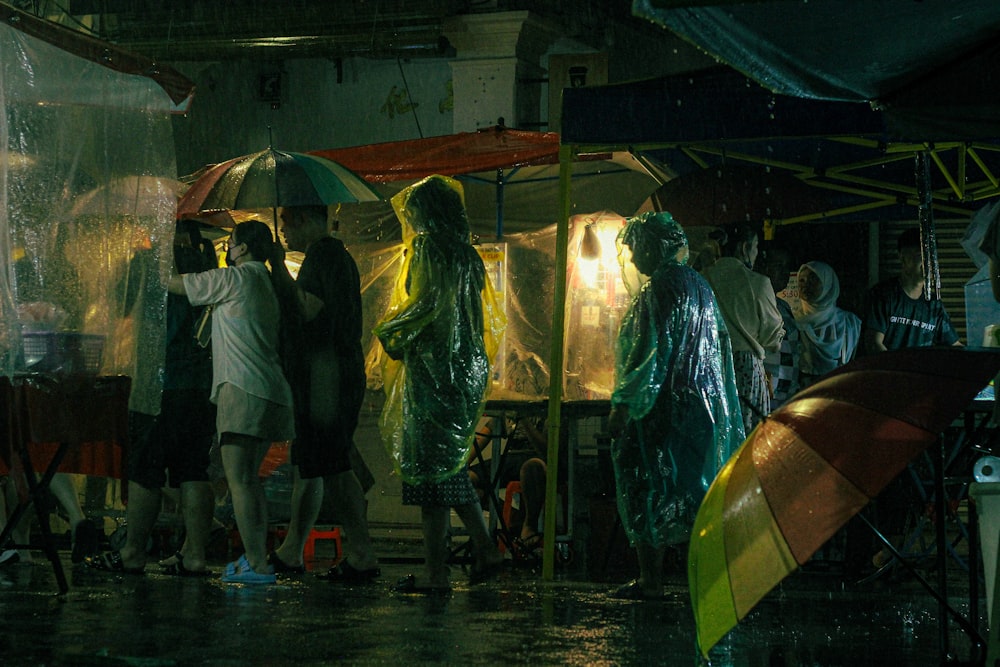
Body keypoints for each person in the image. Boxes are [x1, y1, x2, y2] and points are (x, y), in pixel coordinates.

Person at [373, 175, 505, 594]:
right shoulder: (468, 255)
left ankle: (436, 572)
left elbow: (427, 305)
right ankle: (484, 549)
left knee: (430, 474)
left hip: (435, 373)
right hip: (464, 373)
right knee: (449, 467)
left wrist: (390, 332)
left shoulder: (428, 249)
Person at [607, 211, 744, 600]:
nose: (631, 259)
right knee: (694, 492)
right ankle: (709, 578)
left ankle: (651, 578)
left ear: (653, 246)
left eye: (635, 249)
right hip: (700, 409)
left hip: (661, 409)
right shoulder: (698, 285)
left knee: (646, 486)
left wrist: (623, 406)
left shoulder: (660, 290)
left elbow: (647, 355)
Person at [168, 220, 297, 584]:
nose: (227, 248)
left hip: (242, 390)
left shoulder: (234, 279)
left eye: (232, 243)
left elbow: (179, 285)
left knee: (238, 480)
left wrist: (158, 259)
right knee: (249, 481)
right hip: (271, 391)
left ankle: (257, 565)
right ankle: (257, 560)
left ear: (240, 250)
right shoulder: (267, 282)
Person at [87, 220, 217, 575]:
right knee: (193, 468)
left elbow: (121, 303)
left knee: (146, 468)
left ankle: (131, 553)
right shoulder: (207, 262)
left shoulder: (146, 262)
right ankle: (195, 556)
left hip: (158, 383)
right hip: (201, 383)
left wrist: (130, 261)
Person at [268, 204, 378, 582]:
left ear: (303, 218)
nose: (282, 230)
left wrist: (277, 267)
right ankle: (292, 549)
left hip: (326, 375)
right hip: (325, 372)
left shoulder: (324, 256)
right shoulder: (333, 257)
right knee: (312, 466)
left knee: (332, 463)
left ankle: (361, 551)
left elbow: (306, 309)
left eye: (285, 221)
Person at [702, 221, 784, 431]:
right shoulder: (758, 283)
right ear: (744, 247)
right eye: (756, 247)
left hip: (708, 367)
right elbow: (772, 340)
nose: (757, 254)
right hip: (745, 369)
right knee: (746, 441)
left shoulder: (701, 279)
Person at [863, 227, 961, 354]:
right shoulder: (883, 295)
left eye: (932, 256)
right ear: (903, 259)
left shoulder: (933, 304)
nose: (929, 263)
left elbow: (954, 346)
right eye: (921, 255)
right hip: (887, 372)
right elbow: (873, 343)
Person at [469, 414, 555, 556]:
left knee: (533, 467)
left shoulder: (549, 413)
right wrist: (464, 464)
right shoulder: (510, 409)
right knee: (465, 481)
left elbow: (547, 451)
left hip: (535, 456)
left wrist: (525, 421)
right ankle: (514, 518)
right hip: (511, 458)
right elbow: (484, 434)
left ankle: (529, 525)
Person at [794, 261, 861, 387]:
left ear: (828, 283)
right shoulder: (793, 322)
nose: (806, 286)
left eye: (813, 280)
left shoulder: (849, 322)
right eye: (802, 281)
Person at [758, 246, 800, 407]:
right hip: (767, 394)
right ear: (764, 267)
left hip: (786, 393)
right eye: (779, 266)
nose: (785, 272)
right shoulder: (758, 302)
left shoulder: (783, 306)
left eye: (787, 267)